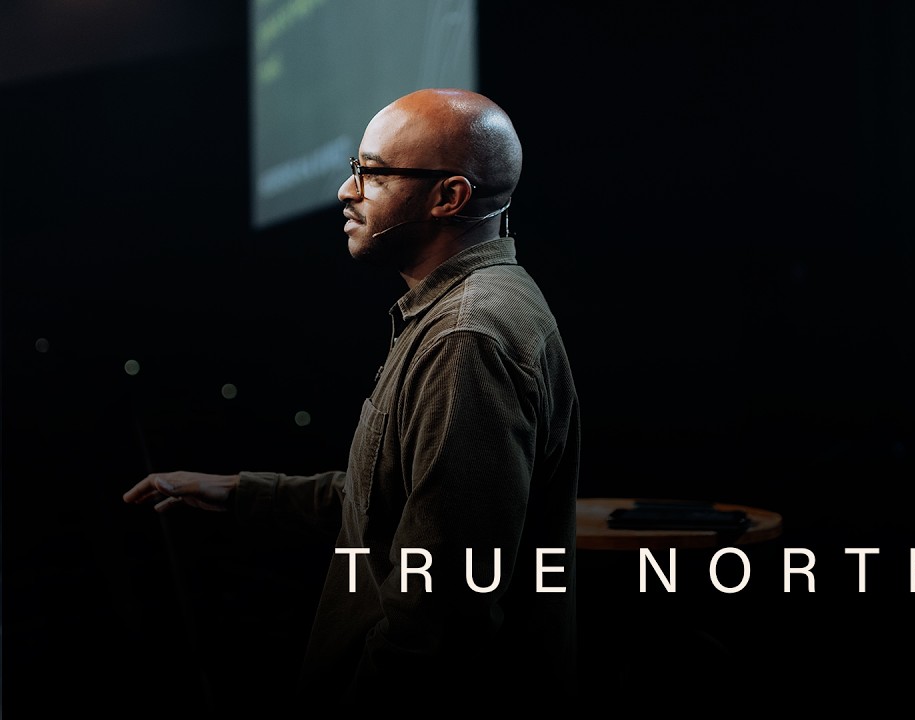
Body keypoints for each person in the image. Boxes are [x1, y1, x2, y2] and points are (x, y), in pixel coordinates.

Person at [123, 89, 581, 706]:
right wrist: (239, 490)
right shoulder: (475, 306)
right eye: (353, 169)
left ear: (449, 197)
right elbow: (395, 500)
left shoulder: (466, 337)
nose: (346, 191)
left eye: (374, 173)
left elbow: (442, 614)